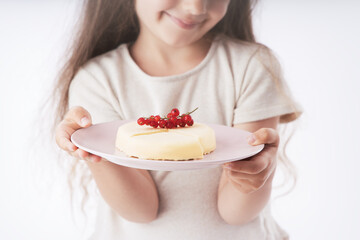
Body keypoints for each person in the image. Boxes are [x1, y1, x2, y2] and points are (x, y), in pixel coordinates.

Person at [54, 0, 301, 239]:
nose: (196, 7)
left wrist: (256, 174)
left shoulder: (252, 66)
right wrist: (93, 148)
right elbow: (141, 210)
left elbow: (236, 212)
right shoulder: (97, 80)